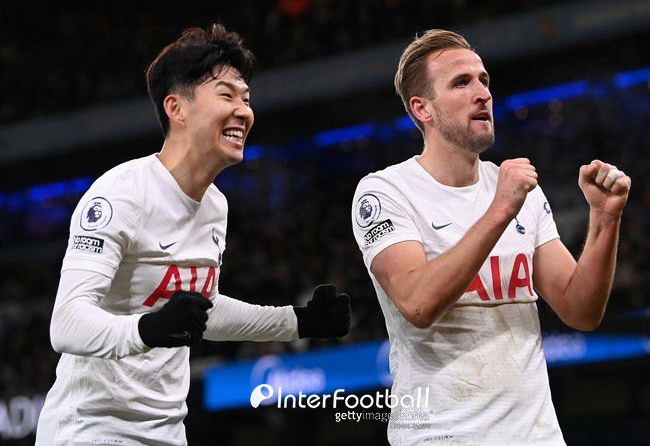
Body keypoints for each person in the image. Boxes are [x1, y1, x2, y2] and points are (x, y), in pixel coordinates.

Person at [35, 24, 351, 446]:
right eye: (226, 95)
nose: (243, 111)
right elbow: (67, 323)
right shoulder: (121, 194)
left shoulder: (215, 205)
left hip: (166, 431)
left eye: (246, 99)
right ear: (176, 108)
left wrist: (297, 321)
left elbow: (204, 310)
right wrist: (148, 329)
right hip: (91, 429)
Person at [351, 29, 631, 445]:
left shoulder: (519, 190)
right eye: (461, 83)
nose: (482, 93)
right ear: (422, 109)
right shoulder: (385, 191)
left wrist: (605, 219)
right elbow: (417, 303)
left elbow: (581, 310)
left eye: (484, 81)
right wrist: (500, 209)